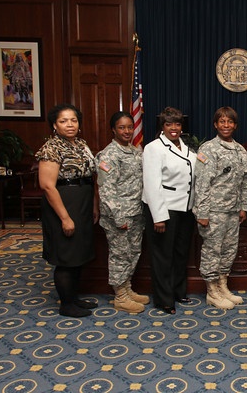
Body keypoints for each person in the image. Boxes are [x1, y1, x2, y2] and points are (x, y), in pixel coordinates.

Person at [35, 104, 99, 318]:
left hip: (82, 201)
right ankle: (66, 304)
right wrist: (65, 217)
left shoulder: (81, 144)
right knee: (66, 256)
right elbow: (47, 186)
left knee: (77, 254)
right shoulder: (51, 148)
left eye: (73, 120)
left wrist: (94, 205)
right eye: (63, 121)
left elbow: (91, 176)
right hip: (63, 204)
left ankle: (74, 298)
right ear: (54, 125)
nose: (70, 124)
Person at [193, 107, 247, 310]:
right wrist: (202, 212)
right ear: (215, 124)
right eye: (222, 122)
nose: (226, 125)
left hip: (233, 211)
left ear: (235, 125)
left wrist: (243, 206)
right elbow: (201, 183)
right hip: (213, 211)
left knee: (228, 251)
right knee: (212, 251)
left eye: (230, 122)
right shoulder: (208, 149)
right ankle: (212, 291)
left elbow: (245, 181)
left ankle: (222, 286)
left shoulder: (240, 150)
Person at [142, 107, 197, 314]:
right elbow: (151, 184)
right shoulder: (154, 148)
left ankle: (178, 291)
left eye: (178, 124)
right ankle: (164, 299)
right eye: (169, 124)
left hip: (185, 208)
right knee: (162, 256)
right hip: (164, 209)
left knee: (180, 254)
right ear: (162, 126)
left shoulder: (187, 146)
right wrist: (159, 217)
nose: (174, 128)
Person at [95, 111, 148, 314]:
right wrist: (119, 217)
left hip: (135, 212)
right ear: (113, 130)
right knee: (119, 255)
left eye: (129, 127)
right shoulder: (109, 155)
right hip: (119, 216)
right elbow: (106, 191)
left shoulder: (135, 152)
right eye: (121, 127)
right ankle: (120, 296)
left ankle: (127, 288)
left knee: (133, 252)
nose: (126, 131)